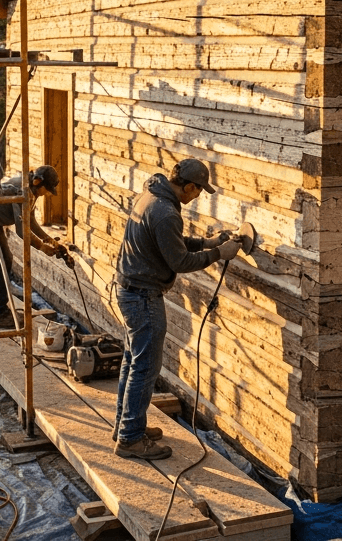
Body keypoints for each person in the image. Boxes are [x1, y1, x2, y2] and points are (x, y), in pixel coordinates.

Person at [111, 158, 240, 460]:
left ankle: (127, 427)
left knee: (133, 362)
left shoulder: (152, 197)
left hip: (130, 289)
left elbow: (170, 243)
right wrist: (219, 252)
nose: (197, 197)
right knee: (144, 368)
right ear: (190, 186)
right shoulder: (166, 212)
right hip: (143, 297)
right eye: (198, 192)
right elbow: (179, 261)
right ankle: (130, 438)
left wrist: (206, 242)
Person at [0, 166, 66, 329]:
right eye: (46, 189)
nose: (46, 193)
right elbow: (22, 231)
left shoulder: (31, 190)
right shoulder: (22, 190)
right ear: (38, 182)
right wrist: (42, 247)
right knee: (3, 262)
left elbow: (30, 220)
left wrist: (48, 239)